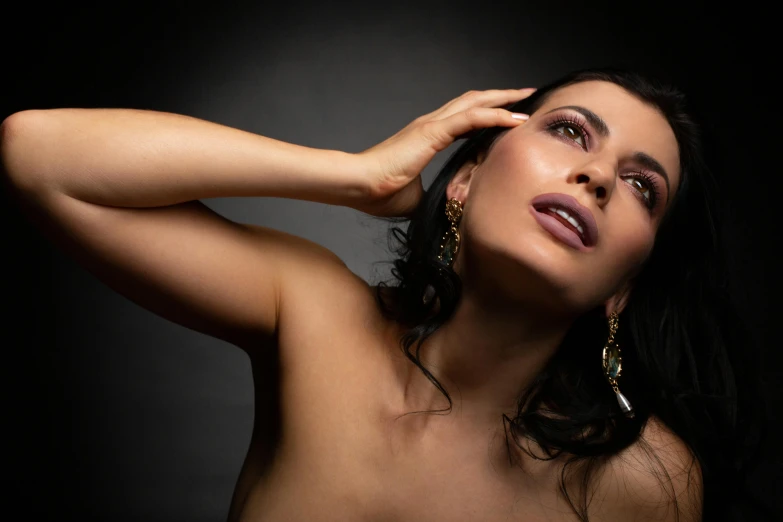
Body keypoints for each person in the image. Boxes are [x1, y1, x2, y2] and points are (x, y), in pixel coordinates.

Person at [1, 67, 770, 522]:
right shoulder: (314, 313)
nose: (598, 176)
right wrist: (353, 175)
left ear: (623, 289)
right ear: (464, 180)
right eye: (570, 132)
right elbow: (42, 157)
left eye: (641, 185)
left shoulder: (645, 481)